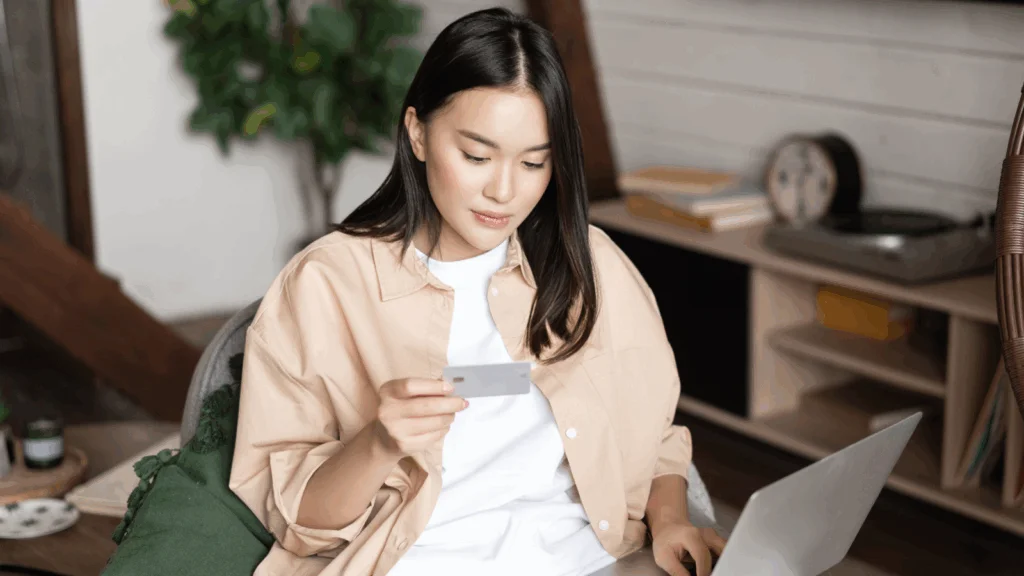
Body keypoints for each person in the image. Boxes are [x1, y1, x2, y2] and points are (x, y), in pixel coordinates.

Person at [228, 7, 726, 576]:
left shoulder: (590, 263)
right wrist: (378, 443)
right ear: (417, 133)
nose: (504, 191)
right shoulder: (325, 285)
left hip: (590, 560)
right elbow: (298, 524)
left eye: (534, 163)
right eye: (476, 156)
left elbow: (654, 434)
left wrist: (670, 521)